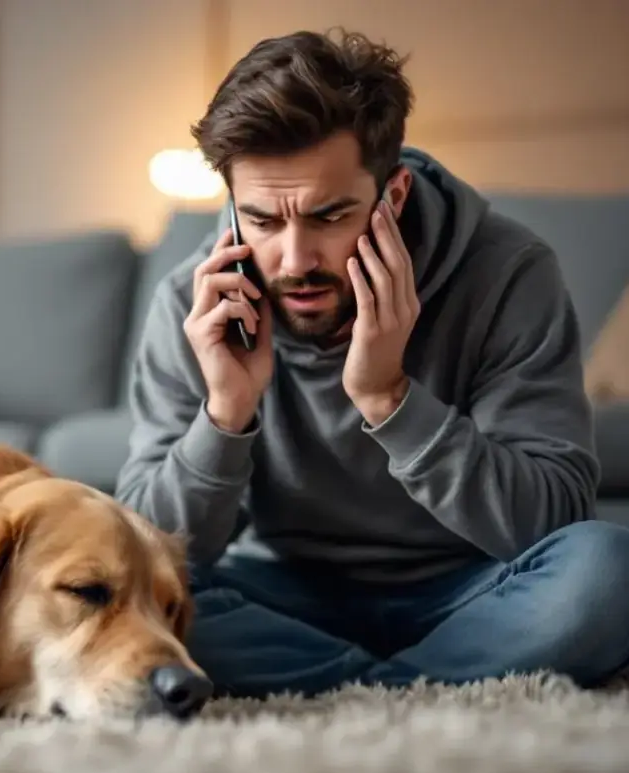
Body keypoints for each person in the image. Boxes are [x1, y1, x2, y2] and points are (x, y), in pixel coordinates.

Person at [115, 28, 629, 699]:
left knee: (608, 571)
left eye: (329, 217)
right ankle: (419, 685)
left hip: (471, 588)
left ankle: (342, 685)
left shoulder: (509, 274)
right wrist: (226, 414)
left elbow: (555, 521)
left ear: (393, 196)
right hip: (283, 592)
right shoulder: (195, 300)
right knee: (130, 596)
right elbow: (146, 550)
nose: (295, 260)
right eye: (263, 221)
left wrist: (390, 400)